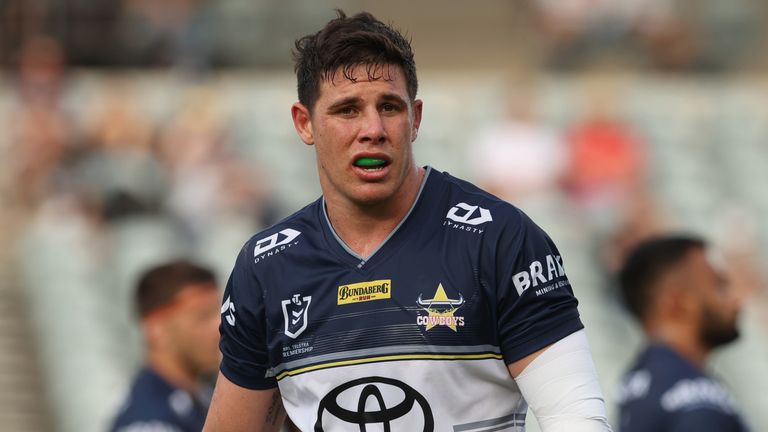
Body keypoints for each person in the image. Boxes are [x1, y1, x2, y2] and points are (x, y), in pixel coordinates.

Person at [204, 10, 611, 432]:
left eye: (390, 107)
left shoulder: (500, 238)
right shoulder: (267, 266)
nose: (373, 129)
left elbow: (577, 418)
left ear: (415, 118)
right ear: (304, 123)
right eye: (347, 110)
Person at [616, 235, 749, 431]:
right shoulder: (699, 399)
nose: (736, 300)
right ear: (678, 302)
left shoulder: (640, 383)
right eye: (720, 286)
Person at [111, 260, 221, 432]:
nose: (220, 328)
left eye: (220, 313)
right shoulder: (148, 423)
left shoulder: (204, 395)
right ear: (156, 328)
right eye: (203, 316)